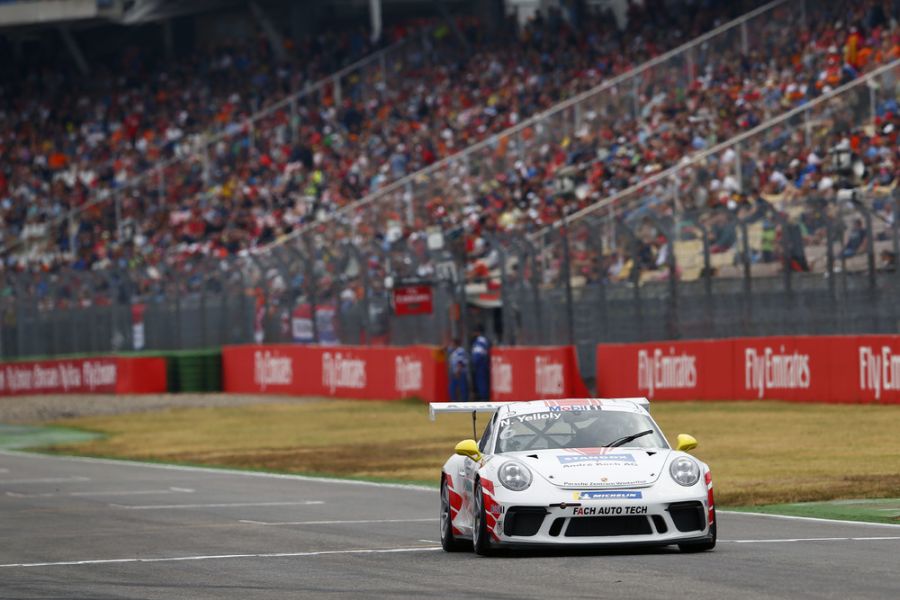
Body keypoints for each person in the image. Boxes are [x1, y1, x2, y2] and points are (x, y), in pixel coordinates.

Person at [471, 326, 491, 400]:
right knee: (480, 382)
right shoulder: (479, 340)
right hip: (480, 364)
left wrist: (475, 363)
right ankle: (483, 397)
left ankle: (484, 399)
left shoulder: (480, 340)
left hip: (481, 364)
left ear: (478, 332)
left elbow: (479, 354)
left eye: (474, 332)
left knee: (482, 382)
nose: (473, 334)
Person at [448, 338, 469, 402]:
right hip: (454, 372)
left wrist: (458, 371)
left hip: (460, 372)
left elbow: (460, 362)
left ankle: (464, 401)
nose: (451, 345)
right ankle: (454, 401)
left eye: (452, 343)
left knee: (462, 388)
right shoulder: (454, 351)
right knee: (452, 388)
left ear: (455, 343)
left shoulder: (460, 351)